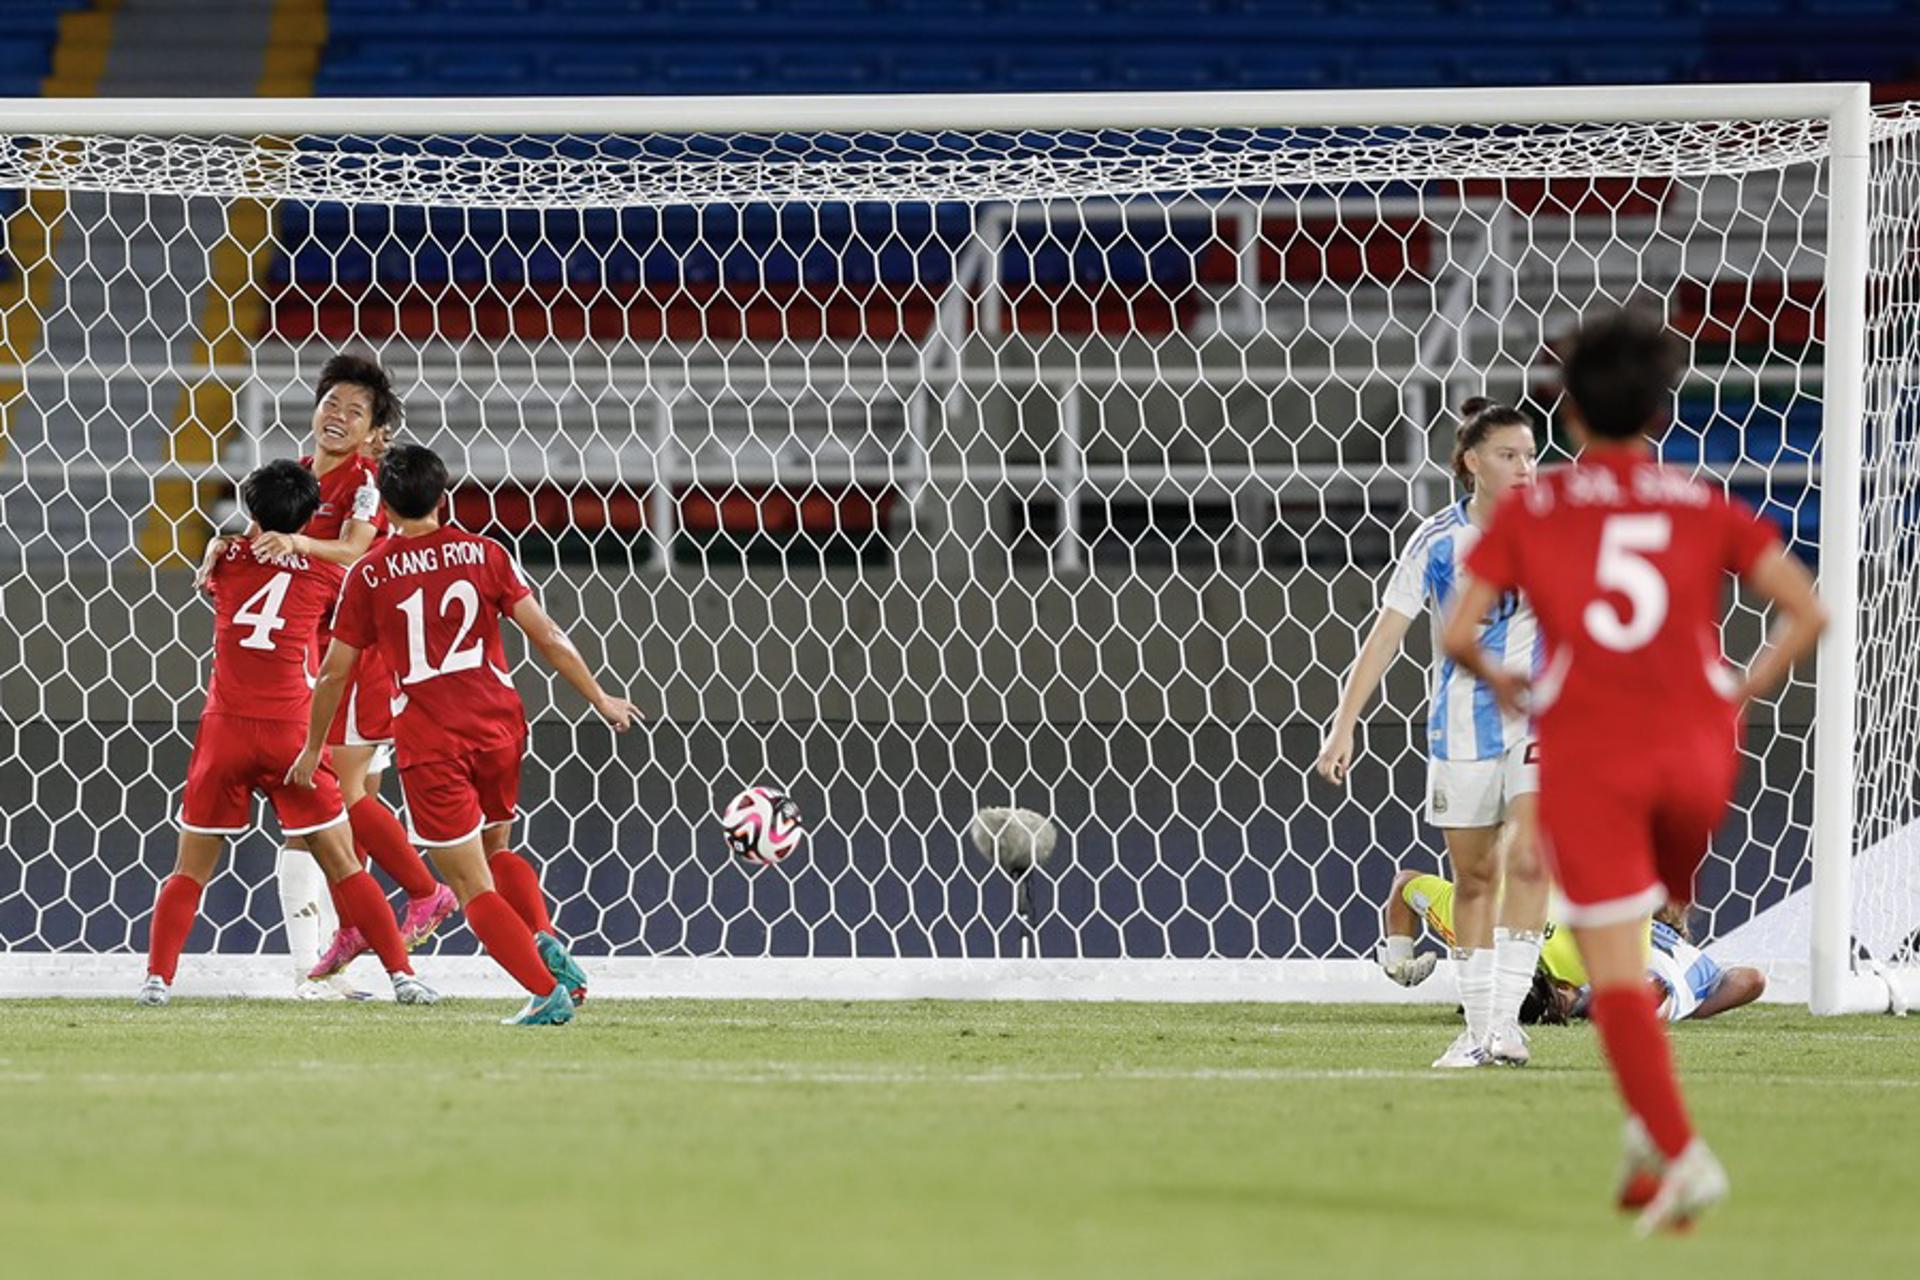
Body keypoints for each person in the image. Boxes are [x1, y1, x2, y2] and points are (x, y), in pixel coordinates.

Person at [1440, 308, 1825, 1232]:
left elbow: (1460, 632)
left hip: (1597, 753)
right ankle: (1651, 1142)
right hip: (1702, 754)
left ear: (1569, 418)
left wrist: (1507, 682)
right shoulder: (1699, 500)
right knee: (1666, 896)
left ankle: (1682, 1152)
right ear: (1661, 410)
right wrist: (1742, 686)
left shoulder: (1537, 508)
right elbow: (1806, 611)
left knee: (1616, 981)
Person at [288, 443, 642, 1026]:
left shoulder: (369, 574)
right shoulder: (486, 553)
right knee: (498, 852)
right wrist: (599, 697)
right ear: (442, 495)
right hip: (500, 727)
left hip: (433, 744)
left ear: (386, 509)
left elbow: (334, 670)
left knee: (468, 883)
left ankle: (545, 989)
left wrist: (310, 746)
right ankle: (545, 936)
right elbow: (548, 634)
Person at [140, 460, 436, 1008]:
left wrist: (224, 544)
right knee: (344, 863)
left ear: (250, 508)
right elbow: (350, 564)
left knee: (188, 869)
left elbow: (226, 559)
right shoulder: (326, 578)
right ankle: (403, 976)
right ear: (309, 519)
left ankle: (158, 980)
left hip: (224, 733)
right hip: (291, 738)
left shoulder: (226, 561)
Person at [201, 355, 456, 989]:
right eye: (331, 403)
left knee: (334, 801)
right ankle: (336, 947)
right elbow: (263, 541)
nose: (337, 417)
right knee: (321, 818)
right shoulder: (300, 474)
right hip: (298, 658)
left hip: (354, 656)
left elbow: (353, 549)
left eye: (355, 411)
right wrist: (223, 547)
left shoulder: (368, 480)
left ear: (375, 432)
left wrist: (299, 544)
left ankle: (422, 894)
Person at [1317, 398, 1551, 1068]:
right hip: (1460, 728)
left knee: (1531, 857)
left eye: (1531, 454)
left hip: (1538, 720)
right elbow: (1386, 634)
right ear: (1472, 462)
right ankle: (1477, 1030)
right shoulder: (1437, 542)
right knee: (1474, 877)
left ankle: (1507, 1024)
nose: (1524, 468)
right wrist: (1344, 725)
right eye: (1509, 455)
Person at [1381, 870, 1767, 1024]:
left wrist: (1399, 956)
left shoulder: (1470, 921)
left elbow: (1404, 885)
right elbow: (1406, 885)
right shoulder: (1472, 917)